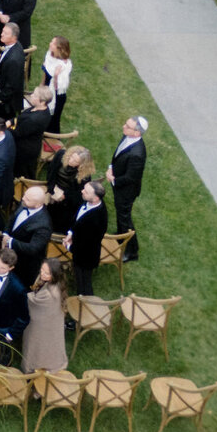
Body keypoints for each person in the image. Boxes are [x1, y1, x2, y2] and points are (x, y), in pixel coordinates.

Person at [107, 115, 147, 261]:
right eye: (126, 123)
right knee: (121, 215)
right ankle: (120, 236)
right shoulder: (127, 136)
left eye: (128, 126)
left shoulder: (138, 154)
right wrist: (111, 167)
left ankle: (131, 251)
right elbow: (118, 154)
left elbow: (131, 177)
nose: (124, 126)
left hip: (126, 191)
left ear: (137, 133)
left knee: (125, 219)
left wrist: (113, 180)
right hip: (120, 184)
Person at [22, 259, 67, 373]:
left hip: (43, 326)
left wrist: (21, 295)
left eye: (47, 273)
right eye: (42, 270)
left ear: (54, 275)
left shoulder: (49, 295)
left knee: (37, 347)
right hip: (51, 325)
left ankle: (32, 370)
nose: (42, 274)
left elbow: (32, 302)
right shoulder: (57, 285)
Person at [3, 184, 52, 290]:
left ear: (38, 204)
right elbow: (12, 219)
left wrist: (11, 242)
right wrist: (6, 233)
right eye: (25, 195)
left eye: (28, 199)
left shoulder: (43, 224)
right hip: (11, 258)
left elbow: (33, 248)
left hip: (25, 266)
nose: (23, 199)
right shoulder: (25, 204)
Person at [65, 179, 109, 296]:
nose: (82, 191)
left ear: (96, 198)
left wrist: (68, 246)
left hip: (86, 255)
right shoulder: (89, 202)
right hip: (82, 247)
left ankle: (84, 300)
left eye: (86, 191)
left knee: (84, 282)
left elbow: (84, 244)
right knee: (80, 278)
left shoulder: (94, 220)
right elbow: (77, 219)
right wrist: (70, 233)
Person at [40, 35, 73, 132]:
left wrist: (56, 76)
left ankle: (52, 138)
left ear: (59, 48)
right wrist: (41, 85)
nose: (50, 44)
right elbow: (46, 73)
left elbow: (59, 85)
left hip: (57, 95)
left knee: (53, 119)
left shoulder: (63, 65)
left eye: (53, 43)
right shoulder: (49, 55)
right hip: (46, 90)